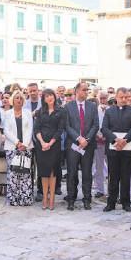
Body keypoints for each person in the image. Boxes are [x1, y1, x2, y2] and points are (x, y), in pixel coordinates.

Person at [101, 87, 131, 212]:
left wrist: (125, 140)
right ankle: (111, 203)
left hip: (127, 147)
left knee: (125, 176)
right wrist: (115, 140)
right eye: (121, 97)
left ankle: (125, 202)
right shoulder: (109, 111)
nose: (124, 99)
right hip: (113, 148)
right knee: (113, 176)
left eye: (126, 97)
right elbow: (105, 128)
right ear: (116, 97)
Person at [64, 82, 99, 211]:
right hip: (73, 144)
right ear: (77, 91)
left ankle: (87, 199)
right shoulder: (68, 106)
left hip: (88, 146)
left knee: (87, 173)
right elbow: (67, 126)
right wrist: (79, 138)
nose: (86, 92)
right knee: (72, 172)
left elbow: (96, 125)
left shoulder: (92, 106)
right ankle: (71, 199)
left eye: (87, 90)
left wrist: (87, 140)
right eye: (84, 90)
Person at [34, 89, 65, 210]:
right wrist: (42, 142)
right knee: (43, 172)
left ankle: (52, 198)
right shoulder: (40, 112)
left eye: (51, 95)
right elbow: (36, 129)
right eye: (46, 96)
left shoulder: (61, 111)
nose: (49, 98)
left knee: (52, 172)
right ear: (43, 99)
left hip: (54, 145)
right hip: (41, 146)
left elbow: (60, 130)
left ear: (54, 96)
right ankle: (44, 198)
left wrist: (50, 143)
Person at [2, 91, 34, 206]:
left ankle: (25, 199)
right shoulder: (7, 113)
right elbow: (6, 130)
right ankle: (13, 199)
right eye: (16, 98)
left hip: (26, 148)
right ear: (12, 100)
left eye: (20, 98)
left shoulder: (28, 113)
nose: (19, 100)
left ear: (23, 100)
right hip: (12, 148)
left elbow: (30, 129)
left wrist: (24, 144)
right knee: (13, 174)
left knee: (25, 174)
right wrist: (17, 143)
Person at [93, 91, 110, 199]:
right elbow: (93, 124)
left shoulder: (112, 110)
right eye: (101, 98)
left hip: (109, 142)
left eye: (105, 98)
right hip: (98, 141)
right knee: (98, 167)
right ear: (98, 98)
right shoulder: (94, 110)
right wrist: (98, 135)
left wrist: (107, 136)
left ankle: (111, 190)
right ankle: (100, 189)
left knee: (111, 167)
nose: (103, 100)